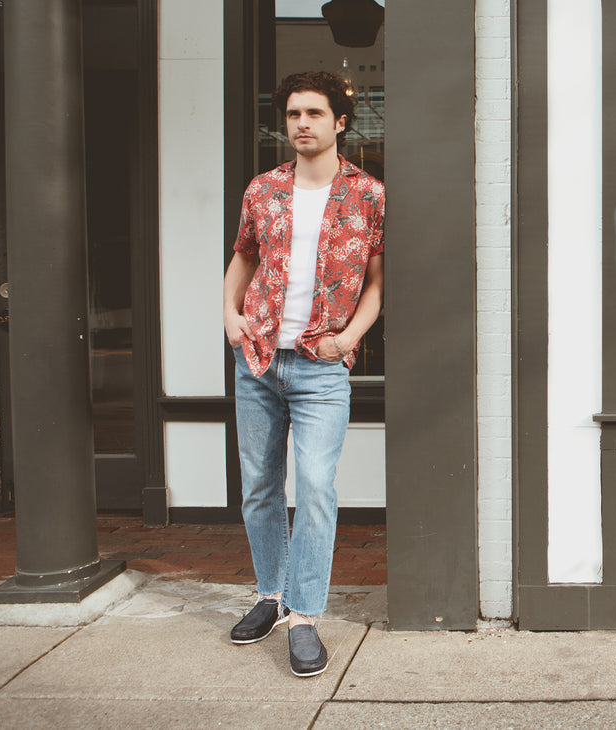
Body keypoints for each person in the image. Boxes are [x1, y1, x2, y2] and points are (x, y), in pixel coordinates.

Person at [221, 70, 385, 677]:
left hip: (321, 370)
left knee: (315, 487)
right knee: (260, 487)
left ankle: (306, 616)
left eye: (315, 113)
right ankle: (270, 593)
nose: (303, 124)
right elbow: (243, 256)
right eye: (293, 114)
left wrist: (348, 338)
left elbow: (376, 285)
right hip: (258, 359)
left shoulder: (368, 194)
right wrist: (229, 317)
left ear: (339, 121)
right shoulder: (262, 190)